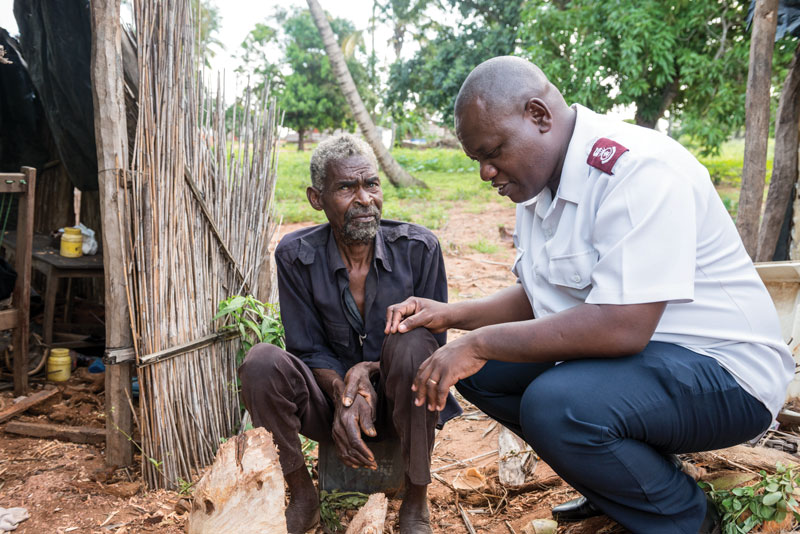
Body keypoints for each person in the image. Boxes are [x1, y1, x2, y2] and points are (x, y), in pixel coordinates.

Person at [384, 56, 794, 534]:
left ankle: (685, 519)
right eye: (477, 160)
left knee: (555, 404)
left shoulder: (638, 171)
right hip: (651, 364)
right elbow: (542, 296)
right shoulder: (536, 184)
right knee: (483, 374)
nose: (485, 172)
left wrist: (478, 342)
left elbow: (622, 326)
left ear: (538, 115)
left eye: (492, 151)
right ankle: (619, 485)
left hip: (726, 372)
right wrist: (453, 316)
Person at [239, 133, 459, 534]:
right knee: (261, 362)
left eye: (371, 184)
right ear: (316, 198)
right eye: (346, 187)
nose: (364, 199)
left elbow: (433, 351)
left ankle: (415, 500)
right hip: (328, 410)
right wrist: (344, 395)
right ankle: (304, 496)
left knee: (412, 343)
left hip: (401, 403)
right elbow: (305, 348)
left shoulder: (419, 249)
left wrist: (365, 371)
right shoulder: (296, 255)